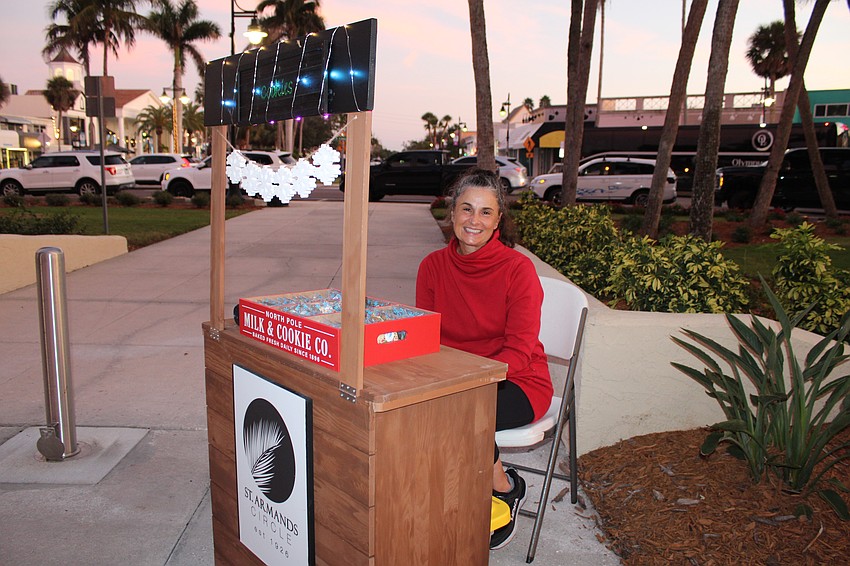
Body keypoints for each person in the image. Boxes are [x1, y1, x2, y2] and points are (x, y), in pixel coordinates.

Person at [416, 168, 553, 550]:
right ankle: (449, 494)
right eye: (466, 209)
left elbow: (521, 349)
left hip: (519, 381)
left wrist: (467, 385)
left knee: (461, 412)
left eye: (485, 212)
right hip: (456, 381)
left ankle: (506, 487)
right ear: (452, 213)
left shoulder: (517, 270)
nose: (474, 221)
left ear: (498, 221)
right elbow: (426, 339)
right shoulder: (432, 267)